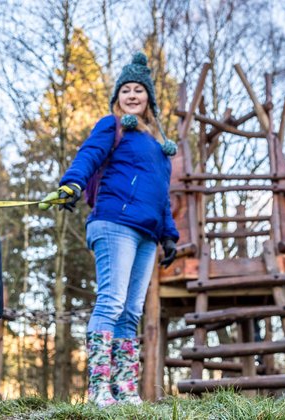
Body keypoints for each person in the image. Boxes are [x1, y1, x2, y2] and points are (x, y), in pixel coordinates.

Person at [41, 52, 179, 406]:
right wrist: (71, 183)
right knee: (112, 302)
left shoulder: (159, 147)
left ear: (149, 97)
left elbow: (162, 195)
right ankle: (99, 389)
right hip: (114, 222)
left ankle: (125, 389)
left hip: (148, 235)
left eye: (139, 90)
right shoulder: (113, 126)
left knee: (132, 311)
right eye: (126, 90)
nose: (132, 95)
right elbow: (88, 155)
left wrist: (169, 234)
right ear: (117, 96)